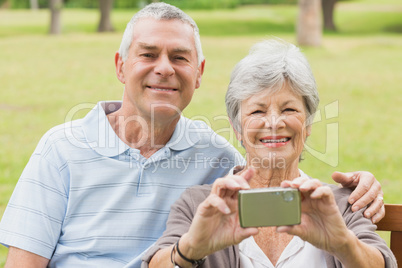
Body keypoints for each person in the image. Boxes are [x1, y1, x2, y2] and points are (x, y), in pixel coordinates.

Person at [0, 3, 385, 268]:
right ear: (121, 66)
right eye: (148, 54)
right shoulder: (61, 148)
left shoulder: (214, 158)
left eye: (179, 57)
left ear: (198, 73)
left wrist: (360, 193)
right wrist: (190, 249)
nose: (164, 69)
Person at [143, 39, 396, 268]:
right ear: (237, 128)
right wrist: (190, 249)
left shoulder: (339, 204)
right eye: (257, 112)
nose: (274, 122)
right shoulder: (200, 205)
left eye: (289, 109)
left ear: (307, 125)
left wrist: (342, 242)